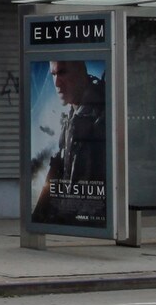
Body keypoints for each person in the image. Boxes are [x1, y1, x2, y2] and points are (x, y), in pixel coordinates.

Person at [35, 59, 107, 225]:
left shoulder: (100, 113)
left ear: (81, 73)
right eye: (53, 74)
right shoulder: (74, 114)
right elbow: (60, 168)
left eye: (62, 72)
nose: (56, 83)